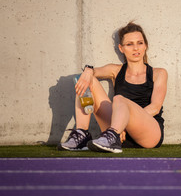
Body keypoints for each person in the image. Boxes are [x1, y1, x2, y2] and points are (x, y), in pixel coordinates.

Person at [57, 22, 168, 153]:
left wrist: (123, 124)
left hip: (148, 133)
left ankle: (113, 134)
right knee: (86, 80)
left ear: (145, 46)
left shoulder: (158, 73)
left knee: (119, 99)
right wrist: (88, 71)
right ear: (121, 48)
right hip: (115, 133)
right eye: (129, 44)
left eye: (140, 43)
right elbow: (92, 73)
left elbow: (155, 107)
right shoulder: (115, 70)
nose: (136, 48)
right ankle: (82, 134)